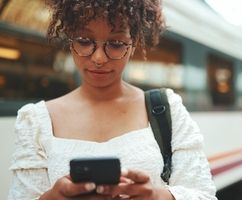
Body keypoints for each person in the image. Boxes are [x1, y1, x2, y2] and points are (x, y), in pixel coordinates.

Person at [8, 0, 217, 199]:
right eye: (84, 41)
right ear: (70, 40)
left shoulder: (166, 109)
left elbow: (204, 195)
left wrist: (158, 196)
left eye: (116, 44)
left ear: (133, 44)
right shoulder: (35, 121)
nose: (99, 58)